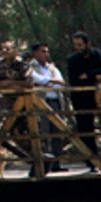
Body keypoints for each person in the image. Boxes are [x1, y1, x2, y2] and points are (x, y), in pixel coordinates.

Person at [66, 31, 101, 169]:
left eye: (80, 44)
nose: (78, 48)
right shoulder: (72, 59)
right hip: (81, 98)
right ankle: (92, 160)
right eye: (76, 45)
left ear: (87, 44)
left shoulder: (96, 55)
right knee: (85, 129)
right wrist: (92, 76)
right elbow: (74, 79)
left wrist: (89, 74)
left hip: (99, 96)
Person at [30, 41, 67, 171]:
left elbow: (61, 83)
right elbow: (34, 81)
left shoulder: (52, 68)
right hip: (40, 102)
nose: (46, 54)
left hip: (55, 101)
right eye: (43, 51)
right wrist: (49, 82)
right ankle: (44, 164)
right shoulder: (30, 68)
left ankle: (56, 163)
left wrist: (47, 82)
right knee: (43, 133)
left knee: (57, 132)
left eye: (47, 51)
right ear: (35, 53)